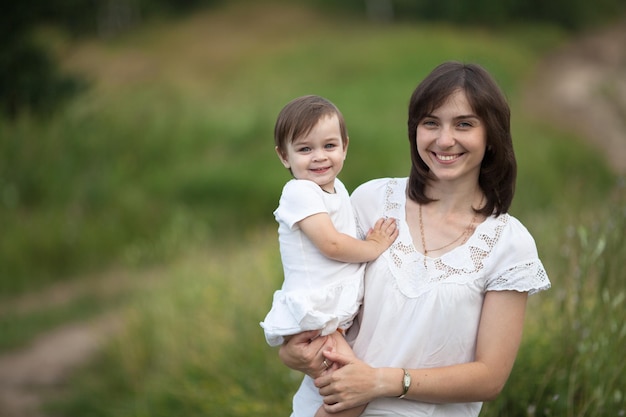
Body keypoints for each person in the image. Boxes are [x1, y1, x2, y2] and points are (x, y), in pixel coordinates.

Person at [278, 62, 551, 417]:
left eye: (464, 124)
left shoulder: (509, 244)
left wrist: (383, 381)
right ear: (415, 130)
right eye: (431, 123)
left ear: (491, 135)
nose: (444, 139)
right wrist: (291, 352)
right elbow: (313, 288)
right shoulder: (369, 201)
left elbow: (490, 378)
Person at [260, 95, 398, 417]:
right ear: (284, 156)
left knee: (343, 391)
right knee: (351, 395)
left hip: (327, 319)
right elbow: (332, 245)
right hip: (314, 315)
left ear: (345, 147)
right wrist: (374, 246)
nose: (319, 157)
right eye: (305, 149)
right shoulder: (299, 192)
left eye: (330, 146)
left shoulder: (338, 189)